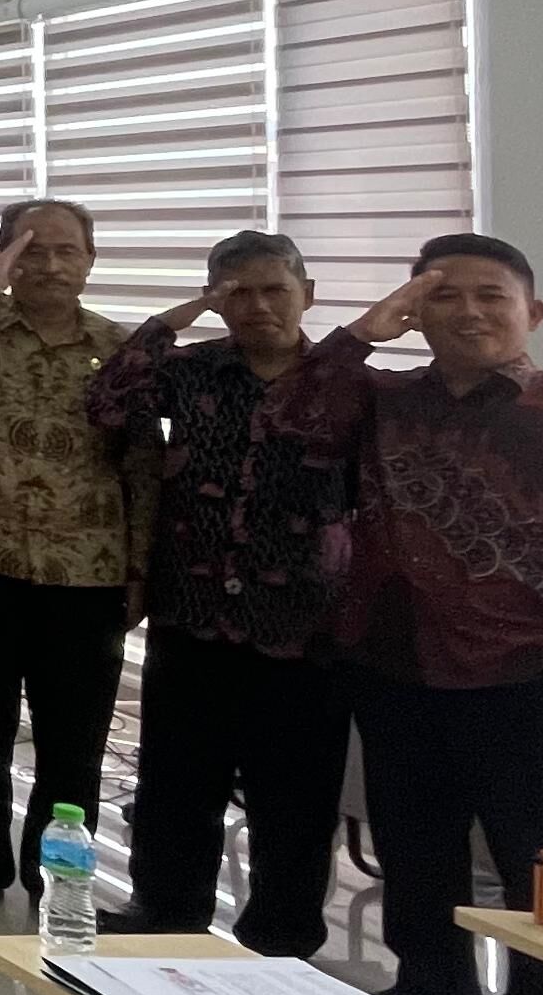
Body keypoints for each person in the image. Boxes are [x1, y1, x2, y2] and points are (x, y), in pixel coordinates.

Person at [274, 237, 543, 995]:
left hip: (522, 675)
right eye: (444, 297)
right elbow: (290, 420)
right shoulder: (382, 400)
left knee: (542, 865)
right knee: (416, 842)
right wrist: (362, 336)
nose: (470, 313)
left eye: (492, 296)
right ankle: (435, 986)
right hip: (394, 660)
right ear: (417, 310)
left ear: (534, 313)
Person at [84, 229, 354, 956]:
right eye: (237, 292)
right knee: (177, 787)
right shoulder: (194, 372)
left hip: (302, 629)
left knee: (293, 803)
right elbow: (106, 400)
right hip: (192, 615)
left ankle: (281, 937)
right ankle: (166, 915)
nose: (258, 306)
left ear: (309, 295)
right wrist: (182, 316)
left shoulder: (349, 387)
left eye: (275, 290)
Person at [0, 200, 157, 923]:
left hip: (86, 576)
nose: (49, 265)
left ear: (90, 259)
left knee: (74, 744)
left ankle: (59, 882)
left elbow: (143, 465)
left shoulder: (121, 347)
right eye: (29, 250)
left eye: (66, 251)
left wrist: (141, 569)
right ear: (6, 258)